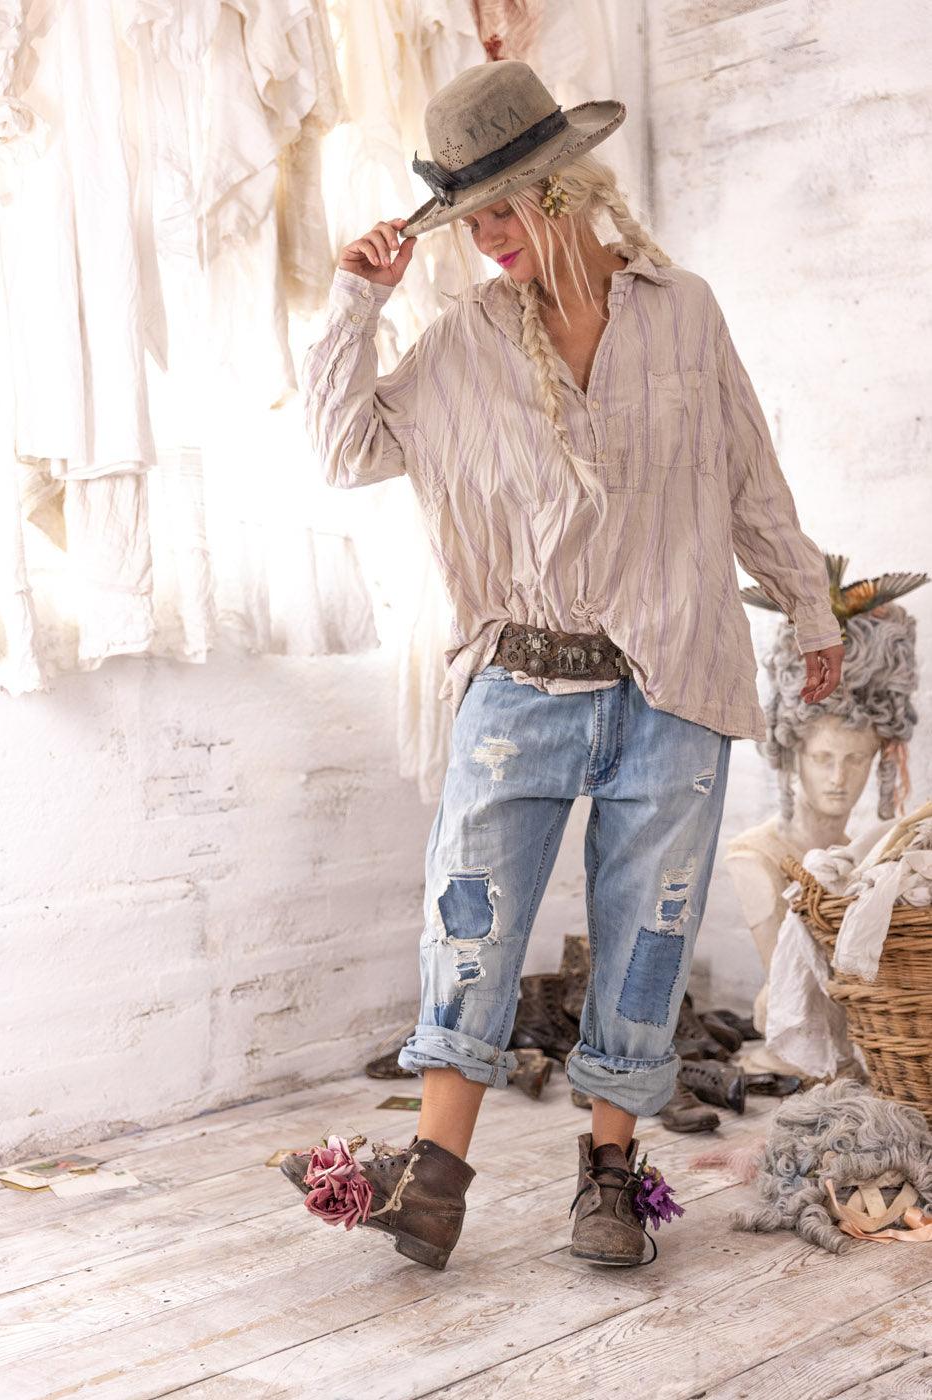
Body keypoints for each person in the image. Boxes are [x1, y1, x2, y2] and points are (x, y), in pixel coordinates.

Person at [282, 60, 845, 1271]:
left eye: (504, 208)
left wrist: (811, 609)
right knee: (470, 933)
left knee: (646, 938)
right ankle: (432, 1187)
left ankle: (609, 1180)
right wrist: (353, 302)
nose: (486, 239)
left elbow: (749, 475)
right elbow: (339, 448)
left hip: (671, 686)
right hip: (519, 690)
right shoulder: (459, 345)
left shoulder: (681, 309)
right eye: (467, 218)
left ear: (565, 186)